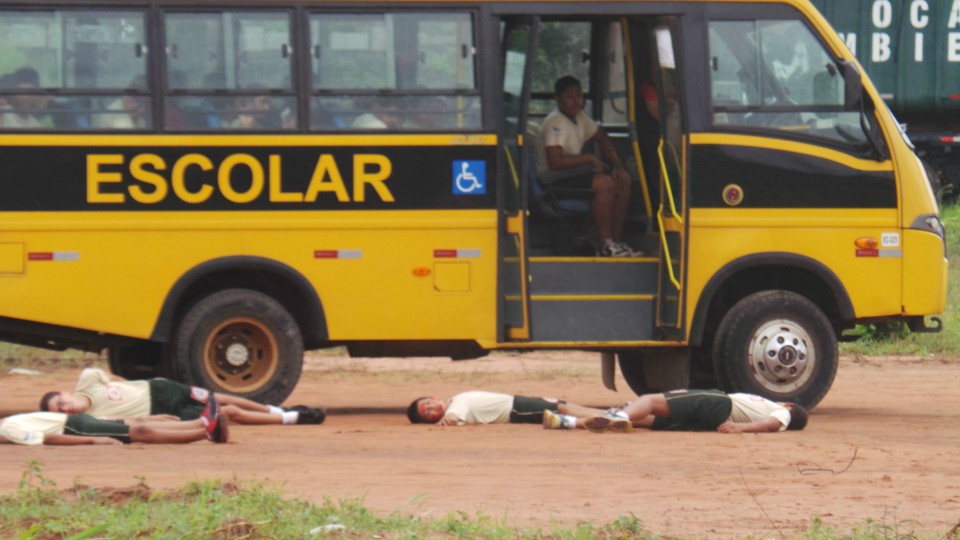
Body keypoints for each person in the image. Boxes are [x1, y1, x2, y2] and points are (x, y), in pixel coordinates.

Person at [536, 75, 640, 257]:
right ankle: (604, 245)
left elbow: (602, 138)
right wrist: (589, 158)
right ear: (558, 99)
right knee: (604, 184)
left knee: (622, 182)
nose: (576, 101)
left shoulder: (581, 118)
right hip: (552, 178)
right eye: (569, 96)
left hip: (570, 174)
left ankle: (616, 242)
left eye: (579, 95)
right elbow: (555, 162)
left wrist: (617, 167)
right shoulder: (556, 122)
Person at [39, 367, 324, 426]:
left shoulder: (87, 379)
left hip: (161, 389)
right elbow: (124, 418)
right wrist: (159, 418)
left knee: (217, 397)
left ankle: (274, 409)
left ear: (66, 393)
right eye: (61, 412)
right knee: (224, 414)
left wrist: (137, 385)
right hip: (160, 409)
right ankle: (293, 417)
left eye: (62, 402)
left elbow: (114, 379)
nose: (67, 408)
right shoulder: (91, 418)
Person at [543, 389, 808, 434]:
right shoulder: (774, 410)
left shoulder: (782, 413)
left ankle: (616, 417)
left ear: (790, 407)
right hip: (711, 421)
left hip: (719, 405)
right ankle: (566, 421)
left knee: (649, 400)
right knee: (646, 420)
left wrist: (741, 428)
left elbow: (770, 424)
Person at [1, 396, 227, 445]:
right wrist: (94, 441)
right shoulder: (10, 428)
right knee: (139, 431)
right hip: (74, 427)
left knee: (138, 426)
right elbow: (47, 438)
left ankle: (201, 424)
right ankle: (206, 432)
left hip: (76, 422)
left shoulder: (8, 424)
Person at [407, 391, 608, 426]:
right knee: (560, 408)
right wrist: (447, 419)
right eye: (429, 413)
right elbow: (453, 417)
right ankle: (607, 416)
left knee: (560, 407)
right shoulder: (455, 406)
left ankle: (606, 416)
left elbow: (455, 415)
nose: (432, 407)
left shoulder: (455, 400)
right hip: (515, 409)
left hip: (516, 403)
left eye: (428, 403)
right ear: (432, 419)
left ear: (433, 397)